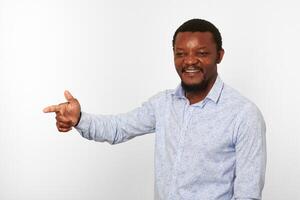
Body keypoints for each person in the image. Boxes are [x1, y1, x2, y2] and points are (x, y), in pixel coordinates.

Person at [43, 19, 266, 200]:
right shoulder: (163, 104)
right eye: (180, 53)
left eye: (202, 53)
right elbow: (118, 128)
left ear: (219, 55)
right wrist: (79, 118)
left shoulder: (244, 115)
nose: (190, 61)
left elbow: (248, 195)